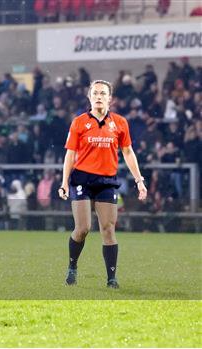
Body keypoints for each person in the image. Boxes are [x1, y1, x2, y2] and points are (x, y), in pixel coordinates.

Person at [58, 80, 147, 289]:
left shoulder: (120, 123)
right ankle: (72, 266)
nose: (99, 96)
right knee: (83, 228)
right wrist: (64, 183)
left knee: (108, 229)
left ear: (110, 98)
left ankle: (111, 279)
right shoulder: (79, 122)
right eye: (95, 93)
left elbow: (128, 152)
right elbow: (70, 155)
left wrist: (139, 180)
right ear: (89, 97)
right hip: (82, 179)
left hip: (107, 181)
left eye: (103, 93)